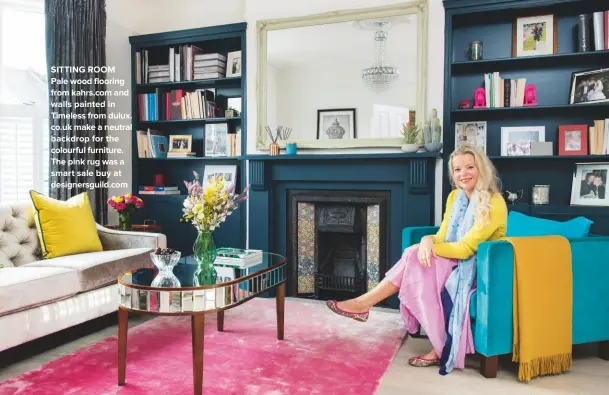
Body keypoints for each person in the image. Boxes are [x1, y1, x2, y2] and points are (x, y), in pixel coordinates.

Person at [326, 144, 508, 374]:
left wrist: (427, 244)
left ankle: (364, 304)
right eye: (458, 169)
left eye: (470, 167)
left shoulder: (493, 202)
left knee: (414, 257)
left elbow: (465, 249)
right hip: (454, 261)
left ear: (481, 168)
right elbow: (442, 236)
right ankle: (432, 343)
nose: (464, 174)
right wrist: (427, 240)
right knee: (416, 257)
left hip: (477, 269)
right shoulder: (455, 197)